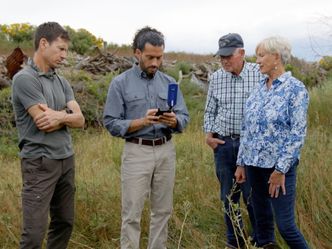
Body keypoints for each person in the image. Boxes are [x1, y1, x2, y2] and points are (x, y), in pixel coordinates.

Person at [103, 26, 189, 249]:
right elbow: (111, 122)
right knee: (131, 213)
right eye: (150, 57)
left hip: (165, 151)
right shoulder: (120, 84)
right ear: (137, 53)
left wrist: (174, 121)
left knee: (162, 211)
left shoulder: (169, 83)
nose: (155, 63)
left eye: (159, 57)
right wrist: (141, 122)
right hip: (136, 151)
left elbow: (184, 116)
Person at [12, 22, 85, 249]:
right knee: (34, 234)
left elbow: (80, 120)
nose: (64, 55)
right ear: (43, 44)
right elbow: (45, 123)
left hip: (66, 159)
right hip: (39, 163)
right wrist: (67, 116)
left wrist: (60, 116)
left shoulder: (61, 81)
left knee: (64, 223)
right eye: (61, 49)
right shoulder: (25, 79)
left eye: (66, 50)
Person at [235, 36, 309, 249]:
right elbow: (246, 128)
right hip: (253, 166)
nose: (256, 61)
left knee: (285, 226)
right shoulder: (258, 88)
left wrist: (280, 170)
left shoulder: (295, 89)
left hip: (278, 171)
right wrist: (241, 163)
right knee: (262, 226)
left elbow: (297, 133)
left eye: (261, 56)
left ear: (276, 57)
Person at [204, 33, 263, 248]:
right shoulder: (217, 77)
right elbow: (210, 110)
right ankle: (235, 242)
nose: (225, 60)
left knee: (254, 197)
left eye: (229, 56)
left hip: (252, 147)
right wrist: (209, 136)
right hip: (224, 145)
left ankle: (259, 241)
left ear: (242, 53)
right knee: (229, 198)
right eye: (221, 57)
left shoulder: (259, 74)